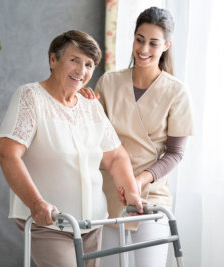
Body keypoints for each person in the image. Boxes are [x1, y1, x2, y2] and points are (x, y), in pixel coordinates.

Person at [0, 30, 143, 267]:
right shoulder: (31, 97)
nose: (81, 71)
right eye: (74, 60)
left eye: (89, 64)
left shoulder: (90, 105)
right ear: (53, 60)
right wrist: (36, 203)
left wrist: (132, 192)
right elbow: (5, 152)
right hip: (49, 222)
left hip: (93, 223)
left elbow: (115, 157)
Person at [80, 7, 194, 267]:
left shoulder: (177, 93)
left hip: (151, 197)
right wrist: (83, 104)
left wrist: (140, 180)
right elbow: (92, 137)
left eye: (153, 43)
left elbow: (175, 153)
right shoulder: (108, 83)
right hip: (110, 196)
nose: (144, 49)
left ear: (166, 45)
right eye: (139, 39)